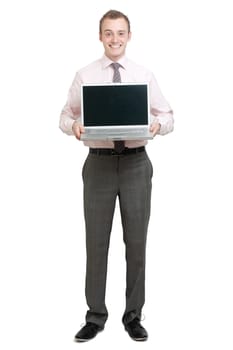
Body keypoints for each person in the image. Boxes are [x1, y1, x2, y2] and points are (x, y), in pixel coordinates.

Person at [59, 9, 174, 342]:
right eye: (108, 33)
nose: (114, 39)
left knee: (136, 242)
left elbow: (168, 114)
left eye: (120, 33)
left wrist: (158, 125)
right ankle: (95, 316)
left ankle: (133, 316)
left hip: (137, 163)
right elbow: (64, 115)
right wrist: (74, 126)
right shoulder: (84, 75)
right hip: (98, 164)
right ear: (100, 36)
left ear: (129, 35)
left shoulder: (143, 74)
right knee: (96, 243)